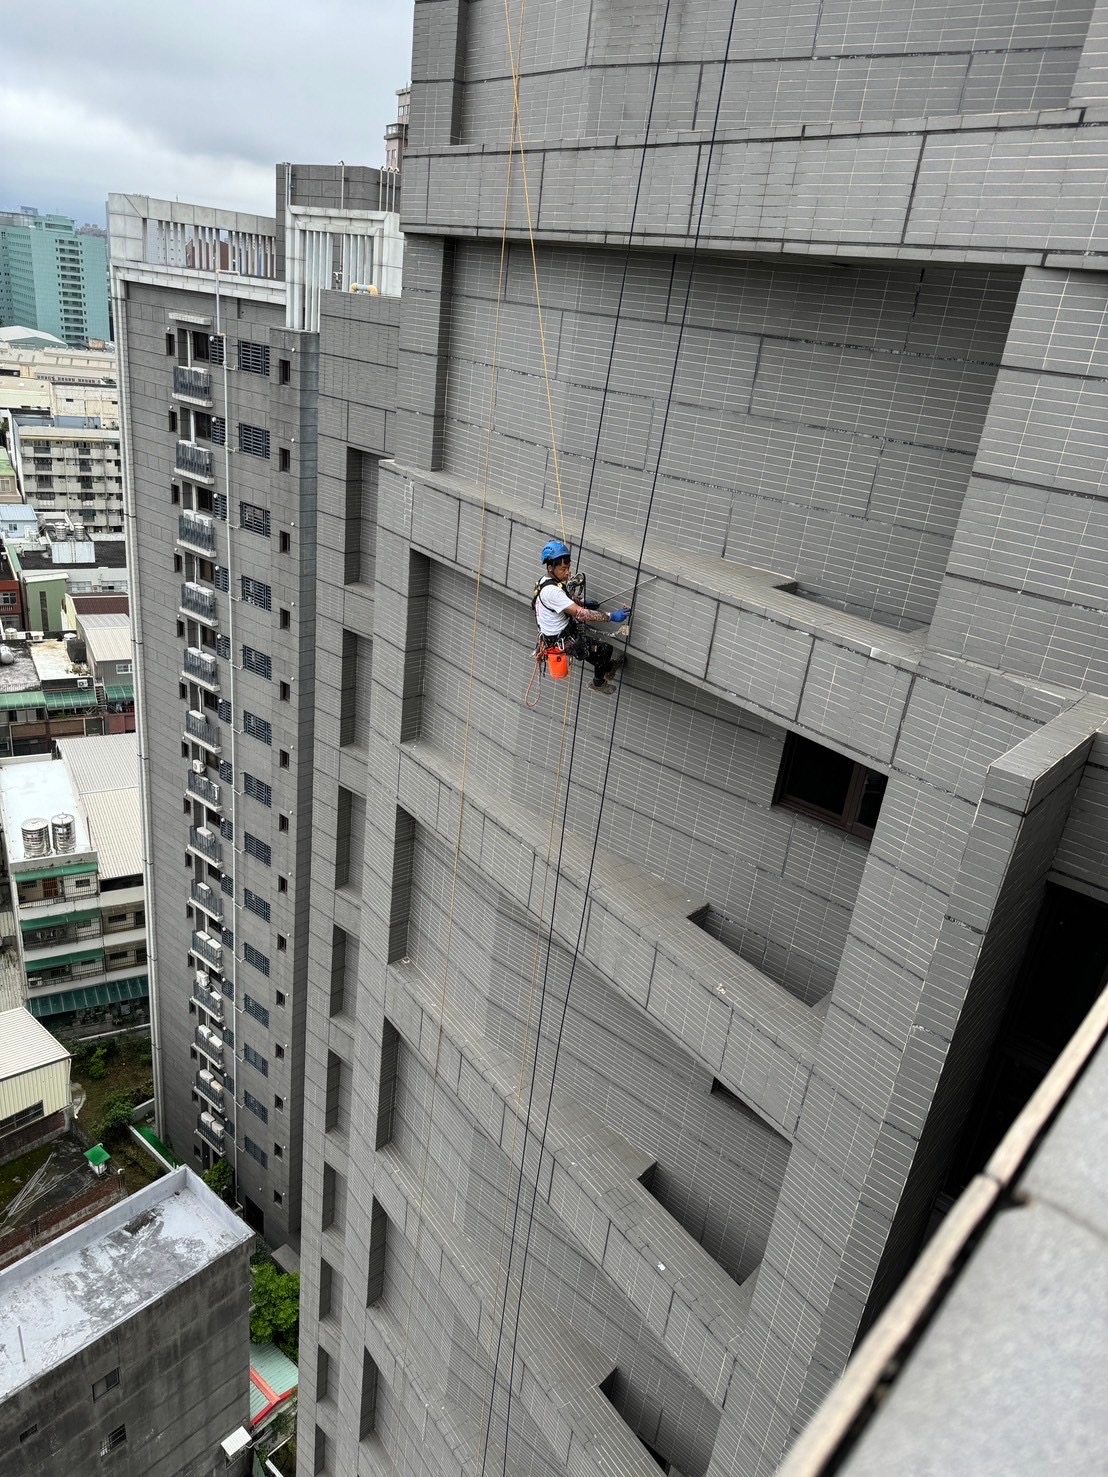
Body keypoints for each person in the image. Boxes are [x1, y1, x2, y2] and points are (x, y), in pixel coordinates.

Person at [533, 540, 630, 694]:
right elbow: (581, 614)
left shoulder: (545, 582)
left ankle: (608, 668)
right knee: (604, 650)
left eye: (568, 567)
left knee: (595, 655)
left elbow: (563, 601)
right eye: (563, 568)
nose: (567, 573)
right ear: (550, 567)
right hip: (563, 640)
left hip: (555, 636)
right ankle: (598, 683)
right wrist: (612, 616)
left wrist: (582, 602)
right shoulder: (552, 591)